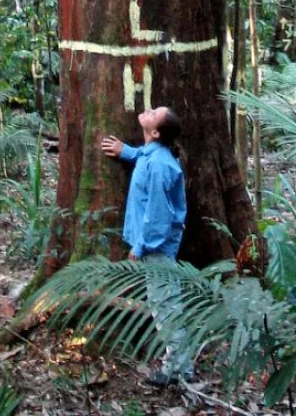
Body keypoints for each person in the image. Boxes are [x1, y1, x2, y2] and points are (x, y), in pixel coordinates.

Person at [101, 106, 192, 388]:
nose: (149, 110)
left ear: (155, 132)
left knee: (166, 306)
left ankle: (179, 370)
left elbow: (158, 215)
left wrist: (140, 247)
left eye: (155, 114)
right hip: (154, 245)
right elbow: (143, 155)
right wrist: (126, 151)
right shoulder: (153, 155)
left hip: (157, 247)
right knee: (163, 302)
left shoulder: (160, 165)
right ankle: (179, 365)